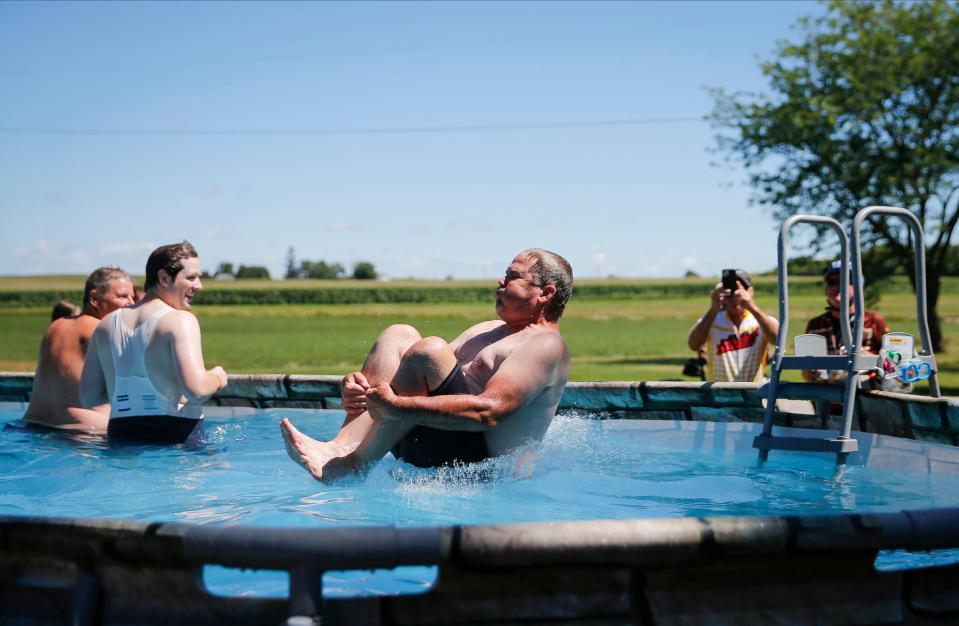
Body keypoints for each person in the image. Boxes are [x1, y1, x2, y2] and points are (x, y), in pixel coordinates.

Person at [281, 248, 573, 482]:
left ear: (545, 293)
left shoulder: (546, 345)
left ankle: (352, 466)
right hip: (433, 439)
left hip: (479, 468)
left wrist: (394, 407)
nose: (500, 281)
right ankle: (342, 447)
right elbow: (417, 372)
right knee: (399, 334)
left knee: (429, 350)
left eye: (513, 276)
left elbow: (489, 412)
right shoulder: (489, 329)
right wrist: (358, 388)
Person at [80, 241, 228, 444]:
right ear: (164, 278)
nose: (199, 285)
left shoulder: (106, 325)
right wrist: (218, 376)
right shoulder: (179, 320)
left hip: (121, 440)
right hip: (176, 441)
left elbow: (89, 398)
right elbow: (197, 391)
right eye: (191, 277)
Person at [24, 268, 136, 432]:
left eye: (132, 297)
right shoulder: (102, 329)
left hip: (33, 425)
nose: (132, 303)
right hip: (86, 432)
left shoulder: (55, 326)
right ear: (94, 299)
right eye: (123, 296)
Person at [801, 260, 890, 384]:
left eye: (845, 281)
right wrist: (812, 371)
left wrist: (863, 356)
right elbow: (805, 372)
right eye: (832, 282)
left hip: (865, 396)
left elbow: (891, 362)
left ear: (858, 287)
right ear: (826, 290)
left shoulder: (873, 320)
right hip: (826, 398)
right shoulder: (815, 325)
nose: (837, 287)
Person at [687, 269, 779, 382]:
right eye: (729, 292)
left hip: (754, 391)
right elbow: (694, 345)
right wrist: (713, 308)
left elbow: (778, 339)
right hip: (719, 392)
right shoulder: (712, 320)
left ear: (750, 292)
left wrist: (752, 307)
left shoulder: (761, 320)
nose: (734, 297)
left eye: (740, 290)